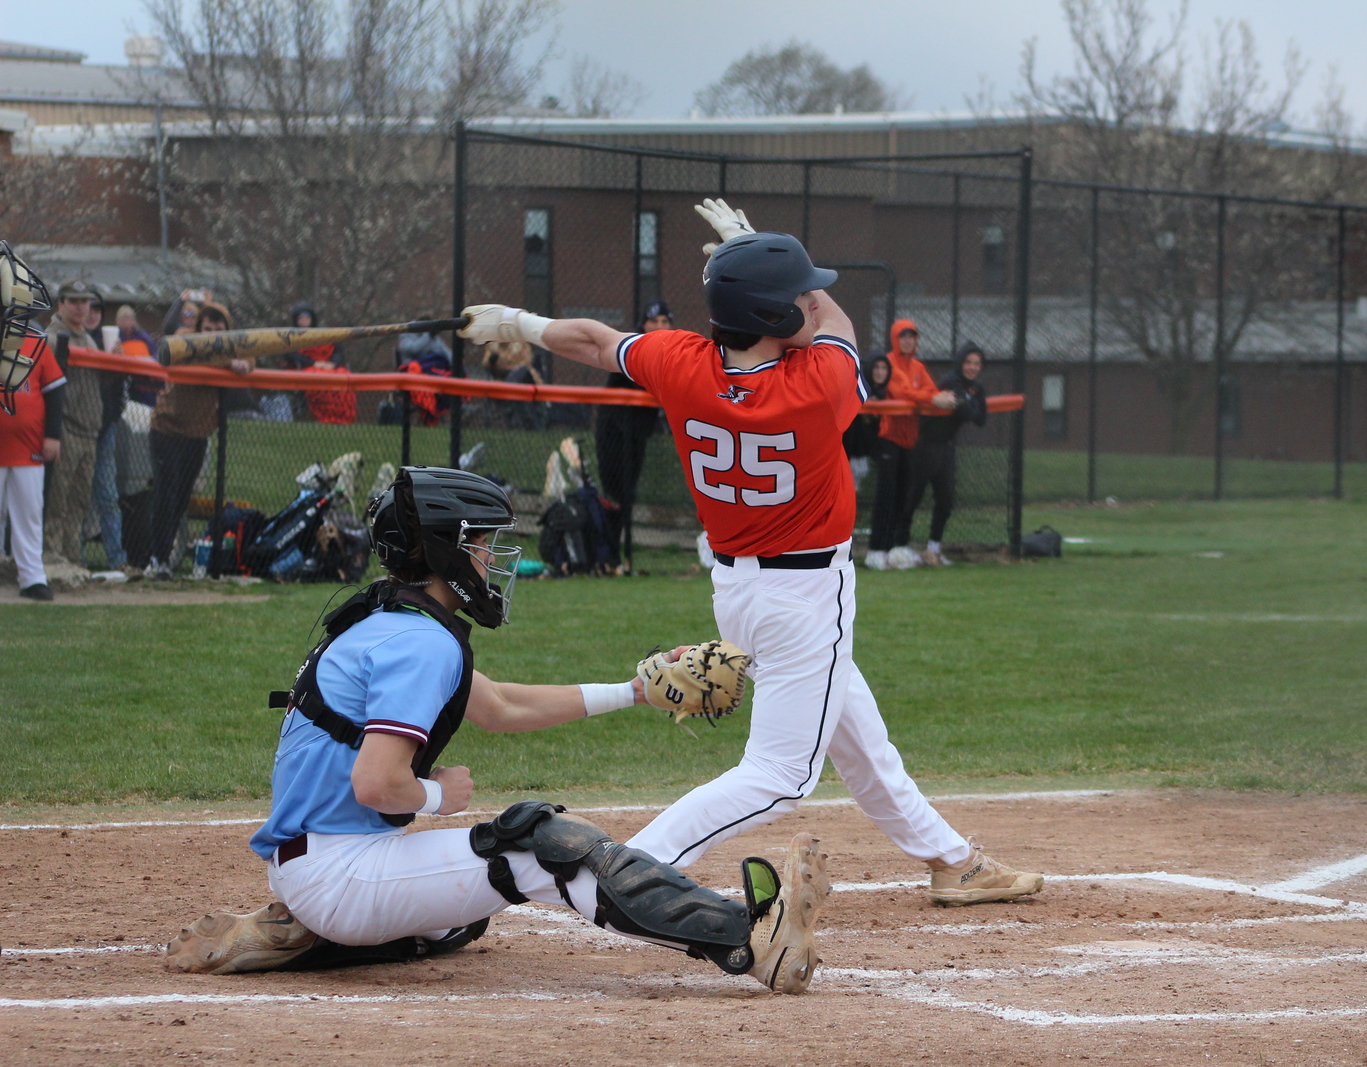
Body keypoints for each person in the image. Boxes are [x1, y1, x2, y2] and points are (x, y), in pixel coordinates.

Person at [459, 198, 1044, 909]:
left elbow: (589, 339)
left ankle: (952, 859)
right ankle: (629, 869)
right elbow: (839, 323)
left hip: (737, 592)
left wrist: (516, 321)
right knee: (781, 774)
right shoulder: (816, 381)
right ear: (776, 316)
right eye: (796, 293)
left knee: (858, 733)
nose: (808, 299)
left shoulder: (680, 361)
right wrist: (751, 244)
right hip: (804, 598)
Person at [163, 467, 827, 994]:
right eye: (480, 544)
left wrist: (633, 692)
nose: (490, 558)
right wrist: (434, 795)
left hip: (319, 866)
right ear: (447, 550)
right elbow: (376, 782)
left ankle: (299, 935)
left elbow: (500, 706)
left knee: (463, 911)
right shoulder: (419, 643)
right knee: (540, 846)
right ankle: (749, 939)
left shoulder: (391, 624)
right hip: (339, 872)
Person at [145, 301, 251, 579]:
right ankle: (158, 559)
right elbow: (195, 349)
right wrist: (231, 362)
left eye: (219, 329)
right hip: (166, 428)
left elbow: (251, 357)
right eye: (208, 328)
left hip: (197, 435)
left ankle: (165, 557)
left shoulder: (232, 347)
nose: (213, 335)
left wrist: (244, 362)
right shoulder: (185, 339)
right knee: (166, 494)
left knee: (181, 499)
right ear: (198, 327)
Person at [865, 320, 957, 571]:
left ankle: (897, 546)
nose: (907, 341)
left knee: (903, 495)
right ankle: (877, 549)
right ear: (895, 338)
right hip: (889, 436)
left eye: (912, 336)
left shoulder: (917, 366)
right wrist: (931, 398)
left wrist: (937, 398)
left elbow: (929, 389)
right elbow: (903, 391)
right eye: (903, 336)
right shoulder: (889, 363)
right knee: (886, 494)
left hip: (909, 438)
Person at [595, 301, 672, 563]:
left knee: (627, 495)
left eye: (665, 321)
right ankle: (607, 554)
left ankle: (616, 554)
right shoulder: (636, 344)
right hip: (614, 430)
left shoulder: (669, 348)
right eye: (655, 321)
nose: (660, 326)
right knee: (614, 494)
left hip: (637, 434)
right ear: (645, 323)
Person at [903, 342, 988, 566]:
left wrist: (971, 404)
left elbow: (980, 418)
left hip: (945, 446)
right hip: (926, 444)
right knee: (913, 496)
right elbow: (968, 411)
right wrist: (971, 405)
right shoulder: (951, 381)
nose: (972, 367)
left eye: (977, 363)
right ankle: (900, 545)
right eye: (968, 362)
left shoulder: (976, 386)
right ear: (961, 363)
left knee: (946, 499)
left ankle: (933, 549)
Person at [0, 331, 65, 600]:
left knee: (29, 514)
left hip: (29, 446)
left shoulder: (34, 341)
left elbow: (55, 391)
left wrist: (53, 435)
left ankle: (32, 577)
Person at [41, 280, 101, 565]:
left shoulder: (88, 339)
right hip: (64, 429)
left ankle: (72, 560)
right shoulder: (52, 338)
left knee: (79, 504)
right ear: (60, 304)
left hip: (90, 431)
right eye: (73, 301)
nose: (80, 307)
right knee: (56, 501)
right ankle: (51, 559)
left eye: (84, 301)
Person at [85, 290, 133, 571]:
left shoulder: (111, 342)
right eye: (87, 307)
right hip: (75, 431)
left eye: (97, 309)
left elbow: (119, 394)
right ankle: (73, 558)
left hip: (104, 430)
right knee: (75, 499)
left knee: (108, 497)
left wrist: (119, 363)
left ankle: (117, 560)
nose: (91, 313)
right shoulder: (72, 340)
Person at [282, 301, 355, 425]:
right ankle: (324, 419)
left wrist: (332, 363)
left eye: (307, 317)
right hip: (306, 368)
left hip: (329, 367)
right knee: (319, 383)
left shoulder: (325, 334)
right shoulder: (290, 336)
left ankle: (344, 419)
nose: (304, 321)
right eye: (301, 318)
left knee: (345, 378)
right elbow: (290, 355)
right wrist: (313, 363)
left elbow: (338, 352)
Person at [843, 354, 891, 493]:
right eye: (876, 367)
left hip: (863, 452)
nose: (880, 372)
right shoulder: (859, 386)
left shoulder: (882, 394)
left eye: (884, 368)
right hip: (848, 451)